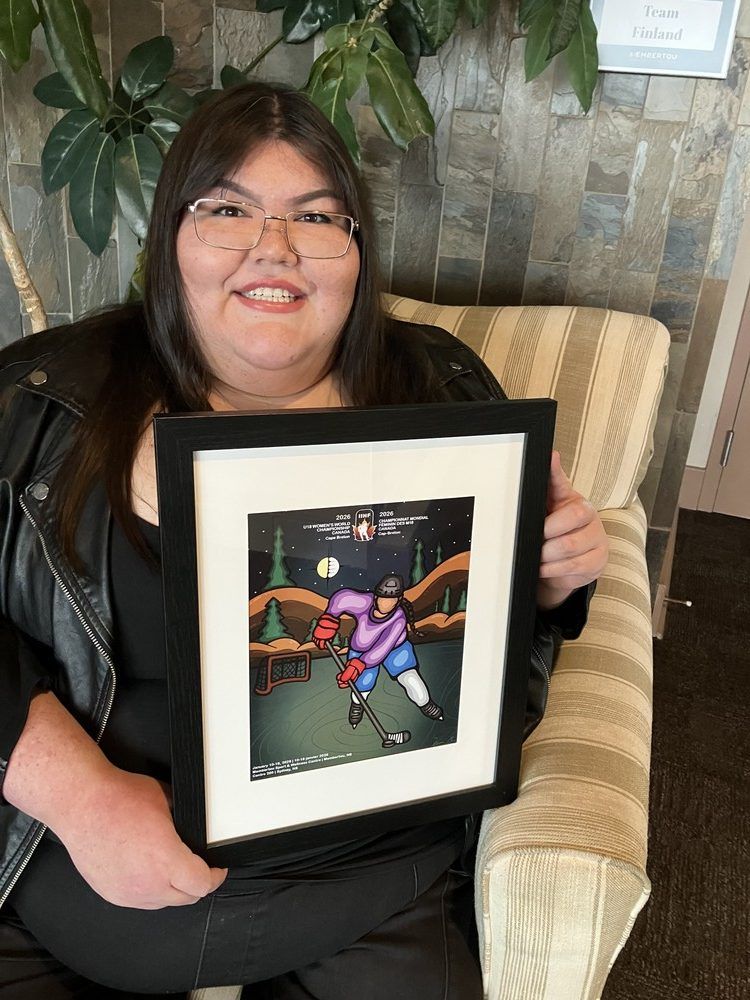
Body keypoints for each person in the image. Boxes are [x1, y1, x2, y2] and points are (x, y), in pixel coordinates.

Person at [0, 82, 608, 998]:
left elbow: (491, 635)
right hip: (76, 862)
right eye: (228, 210)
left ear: (357, 252)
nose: (272, 249)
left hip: (369, 869)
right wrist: (74, 793)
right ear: (172, 238)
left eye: (316, 216)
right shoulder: (39, 397)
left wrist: (555, 576)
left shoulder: (444, 389)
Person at [313, 573, 444, 729]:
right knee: (362, 687)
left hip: (395, 650)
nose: (385, 605)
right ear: (375, 597)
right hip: (360, 650)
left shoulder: (398, 618)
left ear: (398, 601)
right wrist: (328, 622)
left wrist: (357, 665)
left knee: (411, 679)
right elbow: (341, 598)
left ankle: (427, 705)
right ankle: (357, 706)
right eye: (382, 599)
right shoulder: (364, 602)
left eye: (391, 601)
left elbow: (382, 649)